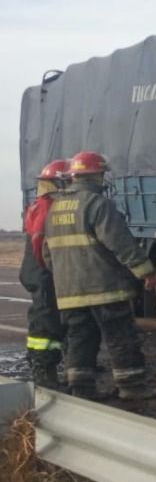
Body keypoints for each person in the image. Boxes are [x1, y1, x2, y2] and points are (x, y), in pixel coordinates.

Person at [42, 151, 156, 400]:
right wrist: (145, 271)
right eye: (101, 174)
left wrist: (65, 278)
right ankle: (132, 387)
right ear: (95, 176)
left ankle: (81, 389)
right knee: (120, 336)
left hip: (70, 292)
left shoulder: (55, 208)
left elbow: (47, 253)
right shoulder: (98, 204)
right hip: (104, 287)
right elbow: (119, 242)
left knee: (80, 338)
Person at [19, 160, 70, 388]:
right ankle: (43, 368)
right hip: (43, 272)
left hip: (40, 271)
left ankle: (47, 365)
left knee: (51, 317)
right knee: (46, 320)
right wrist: (51, 268)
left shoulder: (40, 204)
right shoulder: (48, 206)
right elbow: (39, 240)